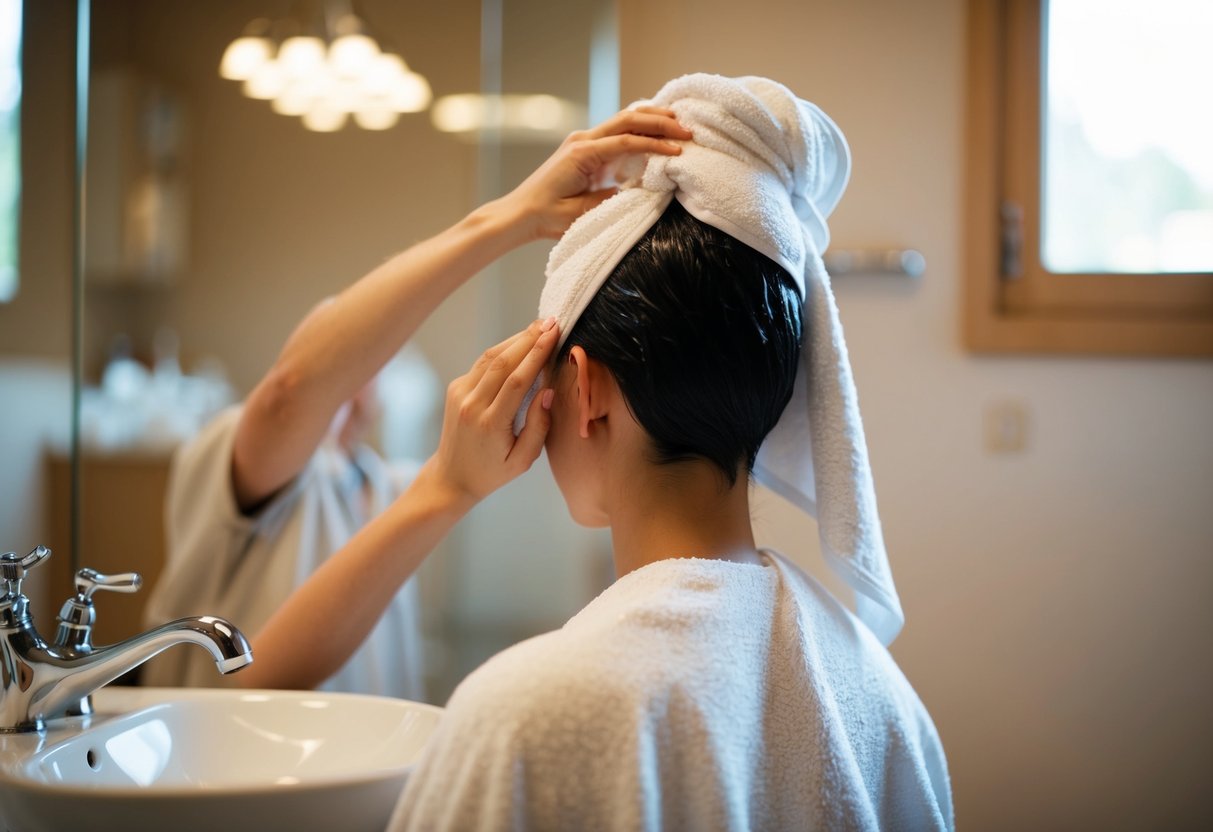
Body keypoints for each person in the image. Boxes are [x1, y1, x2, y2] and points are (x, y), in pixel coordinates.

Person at [248, 74, 953, 829]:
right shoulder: (882, 700)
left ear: (585, 389)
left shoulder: (523, 713)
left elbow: (249, 704)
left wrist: (446, 485)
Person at [140, 107, 692, 695]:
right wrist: (514, 216)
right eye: (340, 342)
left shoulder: (385, 487)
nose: (357, 367)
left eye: (369, 352)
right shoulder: (231, 464)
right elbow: (294, 390)